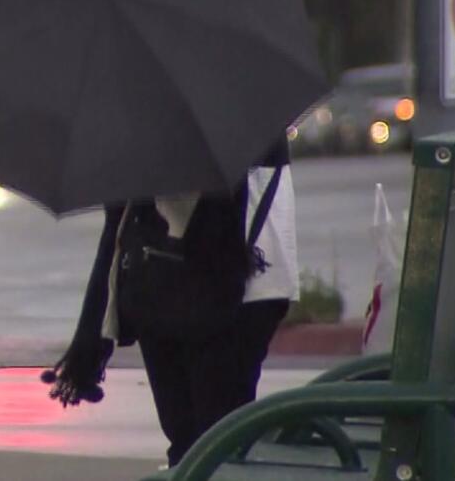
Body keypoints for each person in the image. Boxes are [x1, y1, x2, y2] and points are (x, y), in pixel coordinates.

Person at [44, 138, 298, 467]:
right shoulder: (138, 113)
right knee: (185, 438)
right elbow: (119, 215)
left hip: (241, 282)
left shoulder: (240, 107)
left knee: (218, 440)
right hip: (157, 276)